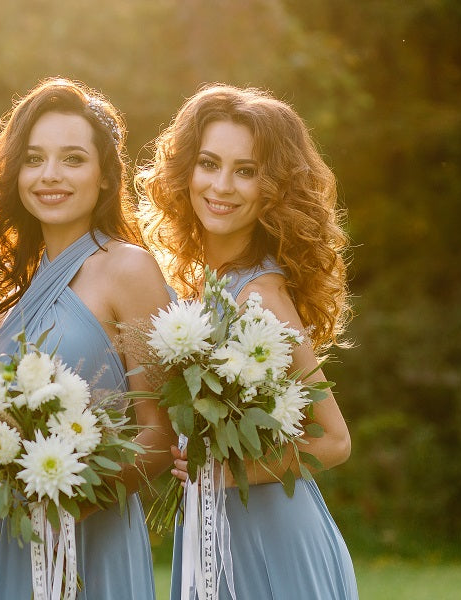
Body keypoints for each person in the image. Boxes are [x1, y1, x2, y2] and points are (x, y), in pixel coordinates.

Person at [136, 83, 357, 599]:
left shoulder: (258, 293)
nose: (221, 186)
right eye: (209, 163)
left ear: (273, 187)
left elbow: (335, 441)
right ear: (185, 171)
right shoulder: (191, 283)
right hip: (211, 527)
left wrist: (226, 477)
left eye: (246, 171)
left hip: (272, 537)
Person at [0, 78, 176, 600]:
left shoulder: (128, 269)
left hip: (90, 529)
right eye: (34, 159)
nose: (49, 176)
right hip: (8, 530)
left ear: (106, 176)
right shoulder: (11, 286)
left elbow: (162, 431)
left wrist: (79, 490)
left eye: (72, 159)